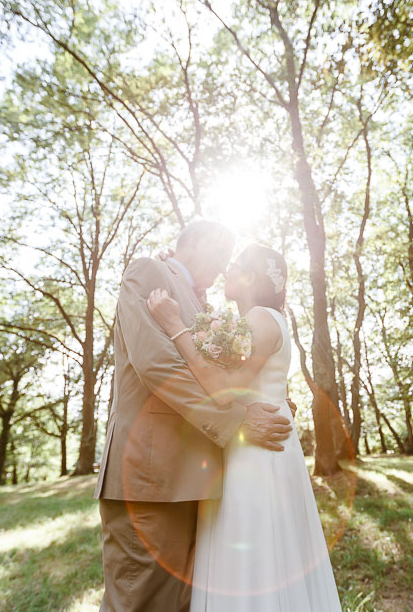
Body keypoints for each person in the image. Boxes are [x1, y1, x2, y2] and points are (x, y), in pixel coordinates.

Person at [95, 221, 294, 612]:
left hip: (199, 483)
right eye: (222, 255)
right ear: (198, 243)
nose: (224, 268)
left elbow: (227, 374)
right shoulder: (150, 272)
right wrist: (237, 420)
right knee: (141, 600)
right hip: (152, 478)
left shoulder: (201, 302)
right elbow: (157, 364)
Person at [147, 243, 342, 611]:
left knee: (255, 549)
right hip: (251, 443)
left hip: (256, 453)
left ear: (252, 277)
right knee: (263, 547)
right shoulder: (256, 321)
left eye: (234, 266)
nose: (226, 271)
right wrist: (172, 267)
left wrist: (174, 325)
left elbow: (221, 391)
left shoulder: (262, 319)